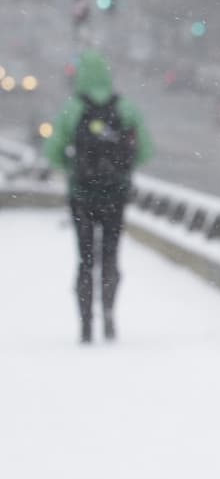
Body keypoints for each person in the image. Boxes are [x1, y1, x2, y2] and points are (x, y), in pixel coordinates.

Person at [44, 49, 152, 343]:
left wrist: (72, 168)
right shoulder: (126, 108)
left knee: (85, 257)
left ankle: (85, 322)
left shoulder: (72, 109)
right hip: (116, 194)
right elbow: (145, 151)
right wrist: (120, 172)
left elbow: (51, 152)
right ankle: (109, 312)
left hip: (81, 194)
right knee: (110, 255)